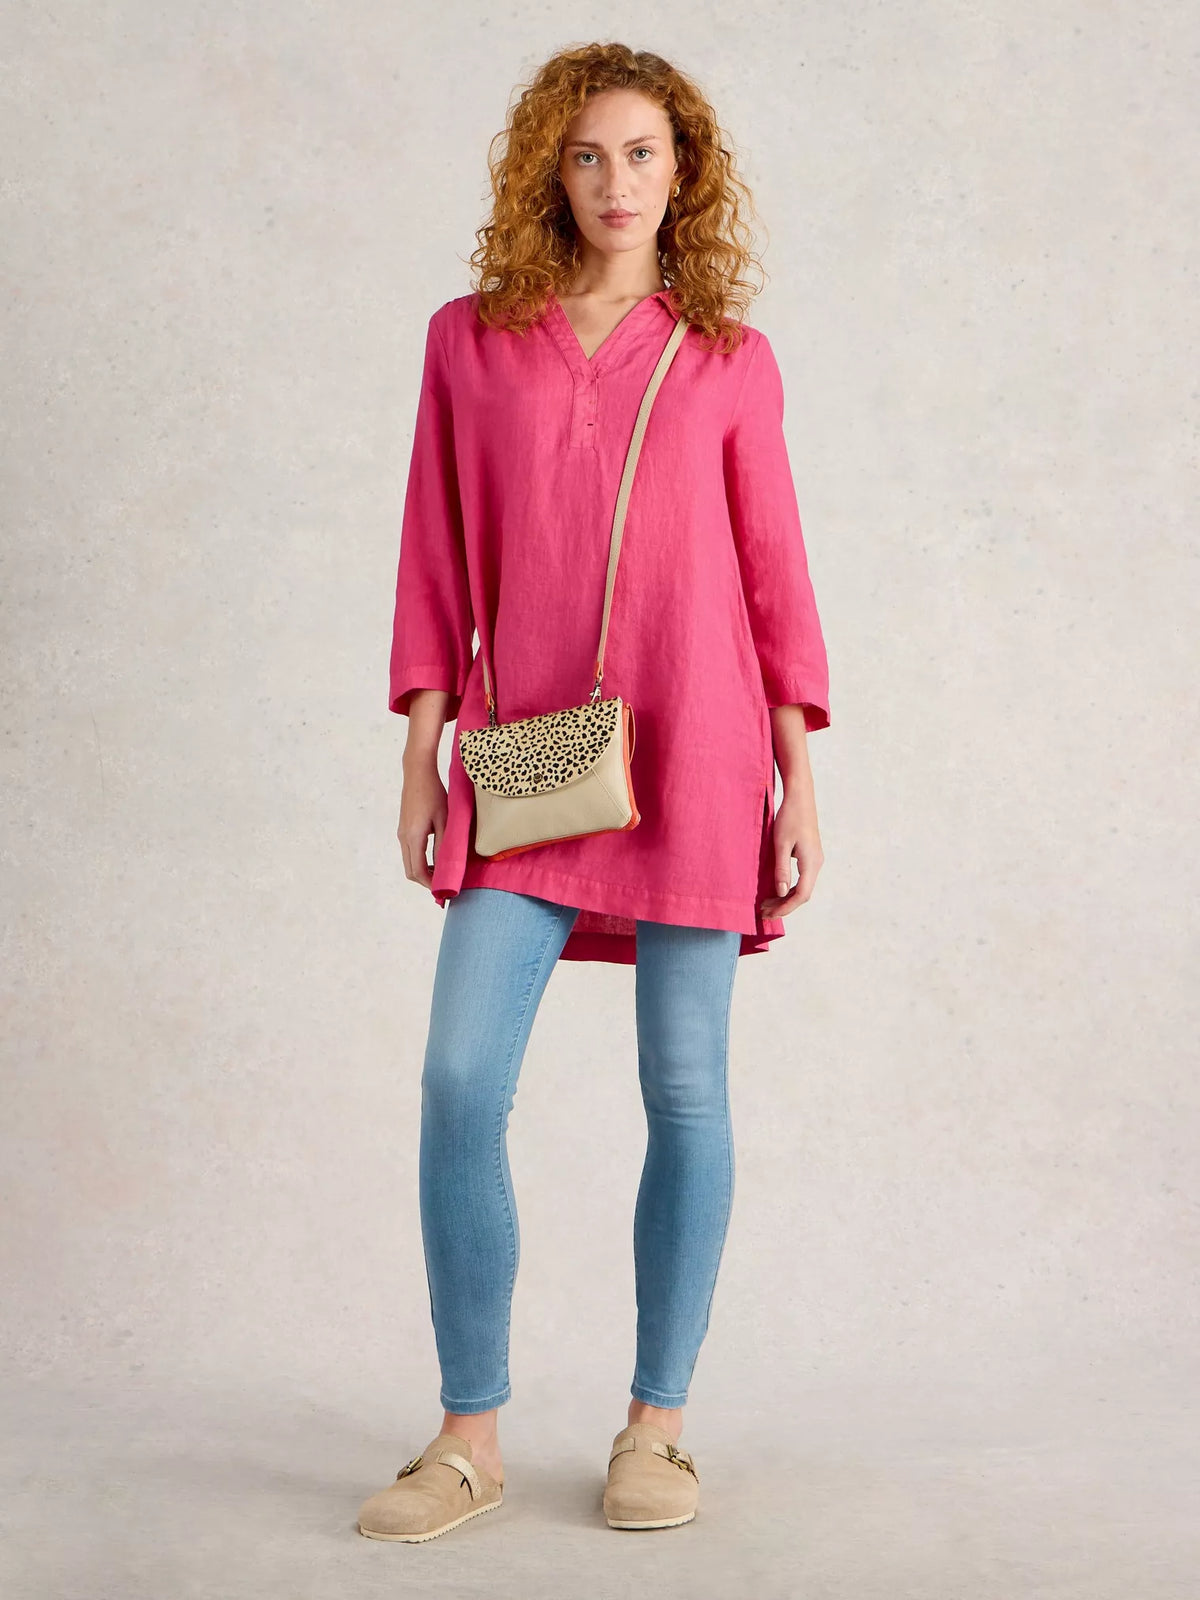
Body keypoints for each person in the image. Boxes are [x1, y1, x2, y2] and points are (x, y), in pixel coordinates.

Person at [357, 42, 830, 1543]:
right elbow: (435, 550)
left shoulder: (731, 361)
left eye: (641, 153)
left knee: (686, 1091)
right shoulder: (470, 342)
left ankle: (658, 1427)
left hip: (701, 760)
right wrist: (422, 752)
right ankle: (469, 1436)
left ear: (682, 174)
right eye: (585, 155)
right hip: (530, 758)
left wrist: (798, 778)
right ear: (546, 175)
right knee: (458, 1084)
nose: (614, 182)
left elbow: (772, 572)